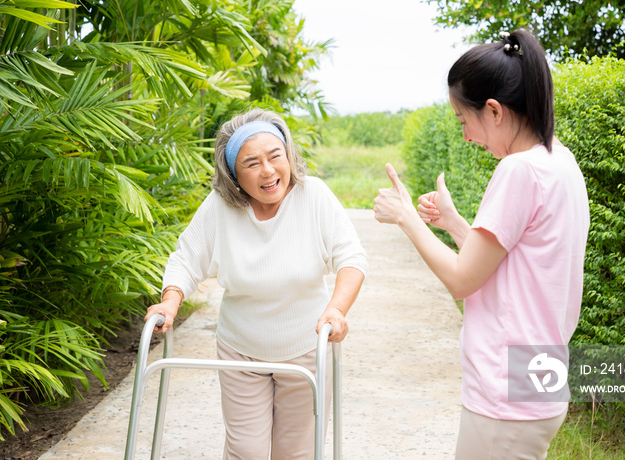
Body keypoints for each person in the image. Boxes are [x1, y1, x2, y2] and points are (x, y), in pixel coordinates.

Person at [373, 29, 589, 459]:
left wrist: (406, 217)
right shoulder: (560, 163)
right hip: (538, 383)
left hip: (504, 397)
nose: (467, 136)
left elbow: (462, 279)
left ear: (493, 110)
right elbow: (510, 265)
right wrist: (453, 222)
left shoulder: (518, 171)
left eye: (463, 120)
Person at [144, 108, 367, 460]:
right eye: (251, 163)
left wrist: (337, 310)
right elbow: (187, 258)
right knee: (245, 451)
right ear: (233, 174)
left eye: (275, 156)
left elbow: (351, 258)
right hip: (241, 352)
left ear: (289, 156)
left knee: (296, 453)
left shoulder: (315, 196)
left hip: (306, 348)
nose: (267, 171)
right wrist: (170, 301)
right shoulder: (220, 207)